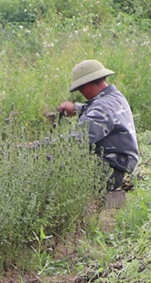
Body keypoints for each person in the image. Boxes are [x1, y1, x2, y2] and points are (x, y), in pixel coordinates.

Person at [52, 59, 139, 203]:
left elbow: (77, 140)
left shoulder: (102, 107)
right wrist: (76, 108)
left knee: (52, 170)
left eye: (80, 89)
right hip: (116, 167)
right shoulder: (114, 97)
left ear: (86, 85)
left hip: (108, 171)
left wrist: (38, 147)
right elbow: (98, 113)